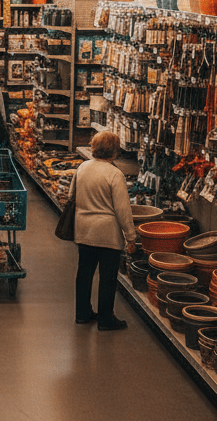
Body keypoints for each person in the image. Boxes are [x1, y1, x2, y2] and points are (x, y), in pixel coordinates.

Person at [72, 131, 136, 331]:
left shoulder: (82, 168)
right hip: (107, 233)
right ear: (114, 152)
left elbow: (70, 195)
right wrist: (131, 237)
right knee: (107, 277)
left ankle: (82, 314)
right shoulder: (115, 174)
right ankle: (106, 319)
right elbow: (123, 209)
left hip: (84, 230)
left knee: (84, 273)